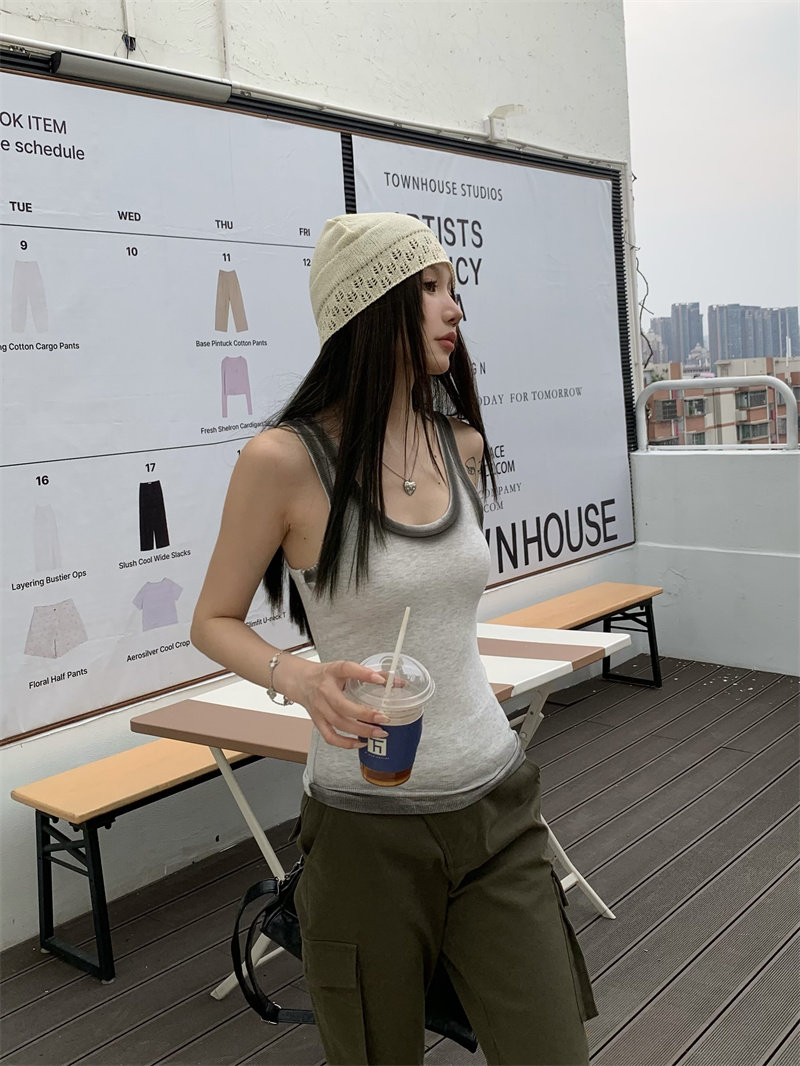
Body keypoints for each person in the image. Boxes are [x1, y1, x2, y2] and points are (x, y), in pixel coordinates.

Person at [191, 212, 596, 1065]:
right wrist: (299, 679)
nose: (455, 309)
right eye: (430, 288)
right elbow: (212, 621)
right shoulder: (282, 462)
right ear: (369, 309)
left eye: (453, 288)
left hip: (496, 807)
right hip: (363, 829)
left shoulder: (462, 445)